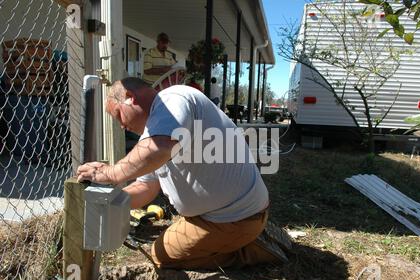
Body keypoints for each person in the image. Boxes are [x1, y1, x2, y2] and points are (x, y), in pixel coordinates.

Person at [77, 77, 289, 270]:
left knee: (160, 256)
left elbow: (160, 147)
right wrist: (111, 201)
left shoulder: (172, 99)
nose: (122, 125)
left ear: (130, 98)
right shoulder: (154, 134)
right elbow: (146, 187)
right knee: (167, 245)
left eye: (118, 115)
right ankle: (248, 237)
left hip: (233, 218)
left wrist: (112, 173)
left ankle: (248, 252)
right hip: (228, 215)